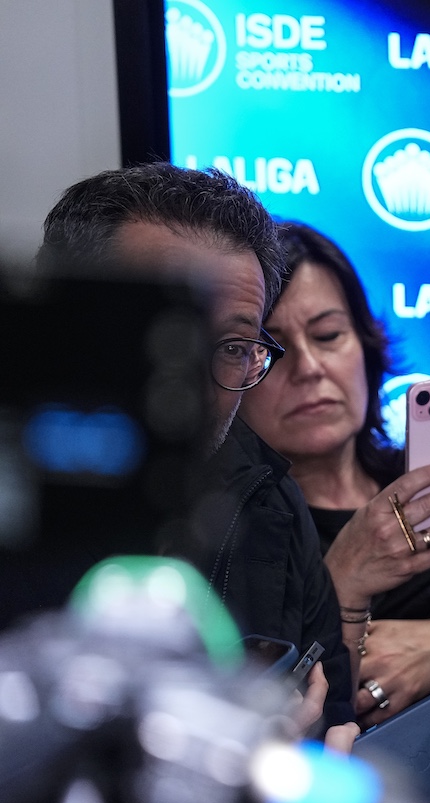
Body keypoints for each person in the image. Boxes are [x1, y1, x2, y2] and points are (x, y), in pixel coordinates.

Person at [37, 163, 353, 725]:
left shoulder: (270, 500)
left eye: (234, 346)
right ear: (64, 321)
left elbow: (334, 710)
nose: (191, 386)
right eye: (164, 332)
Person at [238, 222, 430, 725]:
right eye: (271, 348)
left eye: (327, 335)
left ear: (365, 344)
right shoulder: (229, 530)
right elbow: (272, 719)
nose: (310, 367)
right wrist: (341, 580)